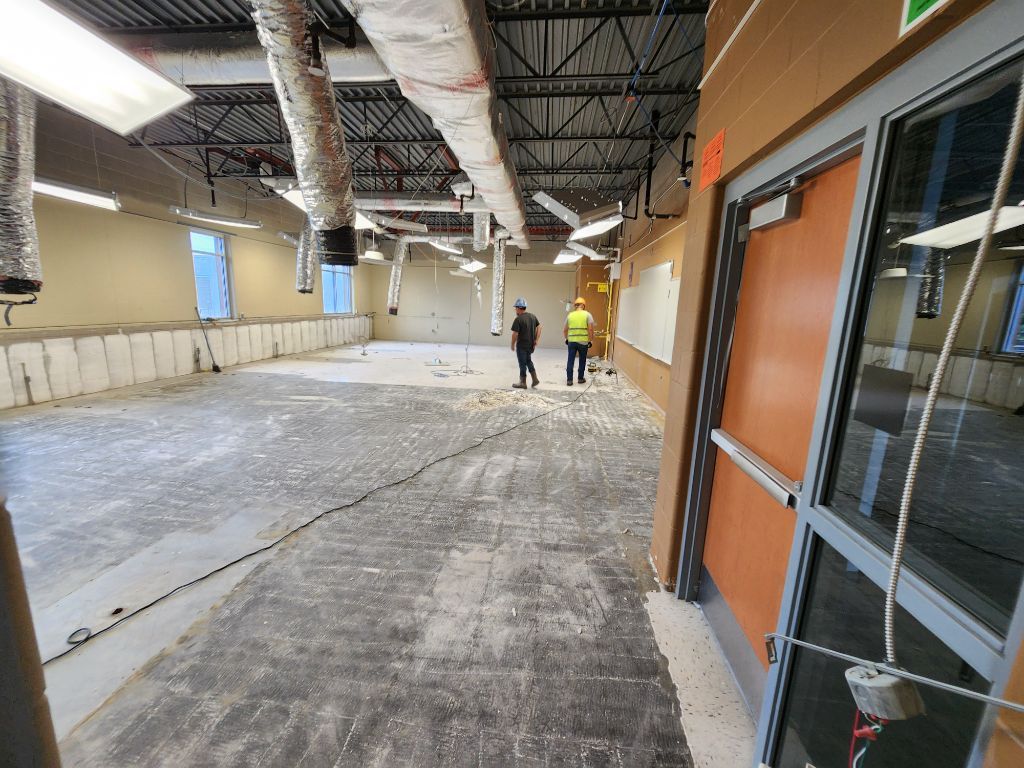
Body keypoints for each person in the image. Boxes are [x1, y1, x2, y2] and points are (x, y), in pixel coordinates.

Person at [510, 297, 541, 389]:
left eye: (516, 308)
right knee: (528, 361)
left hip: (522, 345)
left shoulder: (518, 319)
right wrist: (536, 339)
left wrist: (512, 344)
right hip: (530, 345)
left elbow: (515, 334)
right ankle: (535, 379)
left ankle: (523, 382)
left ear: (519, 308)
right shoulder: (532, 316)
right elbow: (539, 327)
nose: (515, 310)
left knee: (522, 363)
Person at [563, 297, 595, 386]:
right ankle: (580, 378)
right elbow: (591, 329)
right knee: (582, 360)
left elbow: (565, 329)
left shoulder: (570, 315)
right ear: (583, 305)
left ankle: (569, 380)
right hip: (583, 342)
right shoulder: (587, 315)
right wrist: (591, 340)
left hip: (572, 341)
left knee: (570, 360)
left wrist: (566, 339)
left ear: (575, 306)